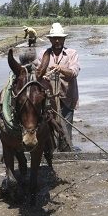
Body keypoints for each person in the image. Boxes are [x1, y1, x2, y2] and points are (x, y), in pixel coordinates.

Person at [36, 23, 80, 152]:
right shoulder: (43, 54)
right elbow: (38, 71)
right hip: (48, 99)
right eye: (54, 38)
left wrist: (60, 68)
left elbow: (74, 72)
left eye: (59, 38)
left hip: (67, 97)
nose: (57, 41)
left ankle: (66, 150)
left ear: (64, 39)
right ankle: (50, 152)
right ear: (50, 39)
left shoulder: (72, 54)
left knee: (66, 127)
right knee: (48, 125)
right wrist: (42, 76)